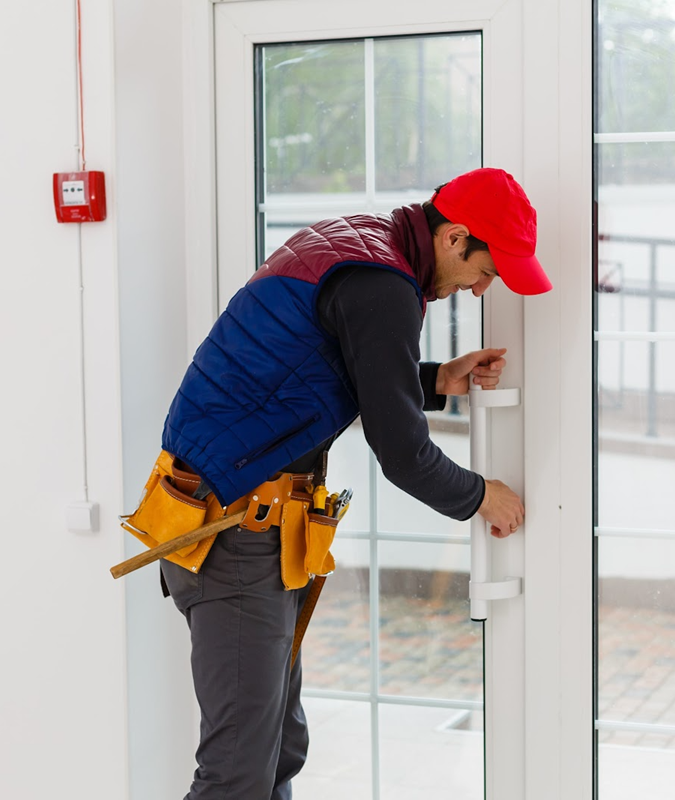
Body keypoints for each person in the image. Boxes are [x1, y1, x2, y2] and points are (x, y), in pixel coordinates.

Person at [152, 167, 551, 799]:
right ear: (453, 237)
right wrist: (481, 496)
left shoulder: (365, 249)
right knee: (237, 772)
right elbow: (402, 452)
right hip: (232, 529)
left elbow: (312, 367)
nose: (480, 291)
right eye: (486, 271)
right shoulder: (381, 281)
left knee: (277, 751)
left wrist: (433, 379)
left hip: (248, 520)